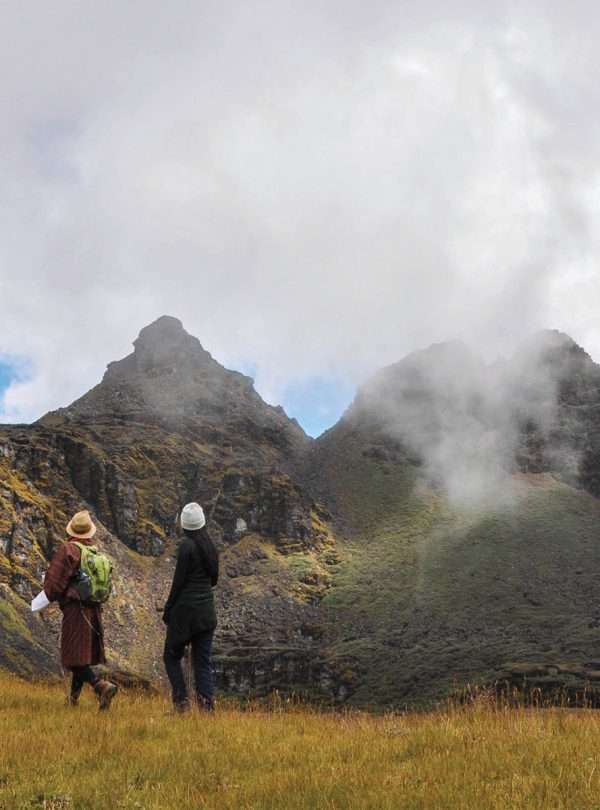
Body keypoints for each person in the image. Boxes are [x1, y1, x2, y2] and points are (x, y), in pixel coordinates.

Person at [43, 510, 118, 711]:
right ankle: (73, 700)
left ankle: (100, 686)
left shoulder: (69, 550)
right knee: (80, 655)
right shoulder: (95, 553)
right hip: (94, 611)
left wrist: (48, 597)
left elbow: (53, 584)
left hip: (76, 610)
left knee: (72, 656)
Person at [163, 502, 219, 712]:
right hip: (206, 613)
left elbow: (178, 583)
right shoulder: (209, 547)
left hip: (185, 613)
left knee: (171, 655)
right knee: (202, 662)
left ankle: (181, 703)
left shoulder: (187, 546)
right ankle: (207, 707)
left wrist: (168, 609)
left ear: (184, 525)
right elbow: (213, 580)